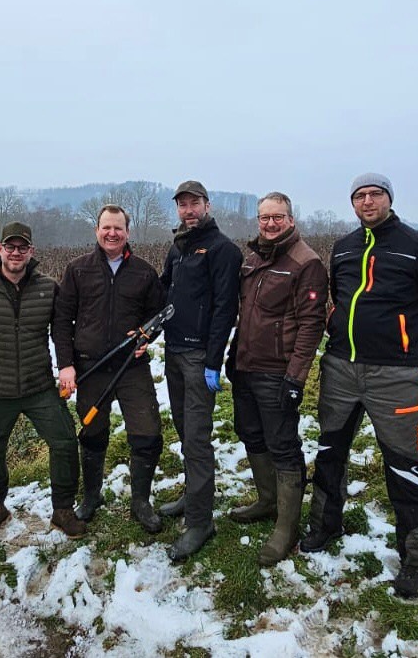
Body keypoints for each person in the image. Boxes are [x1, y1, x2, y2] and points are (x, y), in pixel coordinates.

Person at [300, 173, 418, 599]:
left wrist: (407, 345)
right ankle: (324, 526)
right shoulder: (344, 247)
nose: (368, 201)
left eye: (375, 194)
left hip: (396, 375)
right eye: (360, 196)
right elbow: (340, 298)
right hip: (341, 369)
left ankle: (414, 558)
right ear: (353, 203)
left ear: (389, 198)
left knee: (404, 464)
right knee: (330, 452)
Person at [0, 222, 84, 541]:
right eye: (9, 247)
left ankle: (63, 509)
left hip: (39, 386)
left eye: (22, 247)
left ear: (31, 252)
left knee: (65, 442)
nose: (15, 252)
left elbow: (63, 330)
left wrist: (68, 368)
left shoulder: (48, 287)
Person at [226, 192, 328, 565]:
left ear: (291, 218)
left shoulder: (306, 262)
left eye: (278, 217)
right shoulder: (254, 258)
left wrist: (295, 379)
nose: (270, 224)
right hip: (246, 367)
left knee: (282, 444)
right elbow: (247, 314)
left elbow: (311, 325)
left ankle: (286, 527)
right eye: (264, 218)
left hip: (277, 372)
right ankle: (268, 500)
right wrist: (232, 355)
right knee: (250, 433)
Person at [53, 205, 166, 533]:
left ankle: (140, 501)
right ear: (97, 230)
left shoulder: (144, 272)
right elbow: (62, 320)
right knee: (92, 433)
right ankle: (91, 496)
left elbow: (157, 314)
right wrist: (66, 365)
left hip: (132, 367)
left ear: (128, 232)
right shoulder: (77, 270)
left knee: (147, 432)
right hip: (91, 366)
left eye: (118, 228)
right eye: (106, 228)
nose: (112, 233)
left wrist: (149, 337)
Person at [159, 180, 243, 561]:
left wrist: (213, 361)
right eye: (182, 205)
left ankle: (200, 521)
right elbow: (164, 296)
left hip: (198, 359)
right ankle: (192, 494)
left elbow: (225, 308)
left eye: (194, 204)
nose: (188, 210)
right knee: (182, 428)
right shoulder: (177, 249)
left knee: (197, 437)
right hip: (173, 353)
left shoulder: (223, 250)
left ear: (207, 205)